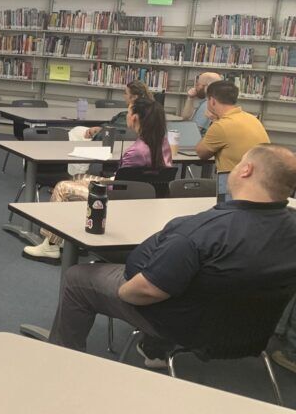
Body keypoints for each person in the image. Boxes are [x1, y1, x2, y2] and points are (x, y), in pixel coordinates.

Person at [47, 144, 296, 365]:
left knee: (78, 277)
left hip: (183, 325)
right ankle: (154, 351)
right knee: (186, 278)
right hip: (249, 331)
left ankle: (64, 361)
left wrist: (124, 292)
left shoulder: (200, 231)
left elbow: (145, 291)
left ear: (246, 170)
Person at [24, 97, 173, 263]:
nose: (127, 115)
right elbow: (134, 177)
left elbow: (120, 186)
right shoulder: (162, 143)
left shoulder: (137, 151)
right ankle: (65, 238)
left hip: (116, 196)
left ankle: (50, 244)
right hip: (145, 196)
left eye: (129, 111)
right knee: (78, 177)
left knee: (62, 187)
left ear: (135, 118)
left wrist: (108, 181)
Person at [196, 80, 270, 201]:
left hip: (235, 186)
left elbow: (201, 153)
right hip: (261, 184)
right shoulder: (252, 119)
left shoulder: (221, 125)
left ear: (212, 101)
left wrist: (214, 122)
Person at [79, 80, 152, 141]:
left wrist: (98, 132)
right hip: (108, 137)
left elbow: (114, 132)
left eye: (125, 93)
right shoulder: (148, 115)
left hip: (102, 142)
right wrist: (100, 129)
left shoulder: (127, 118)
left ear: (134, 97)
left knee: (76, 131)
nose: (124, 96)